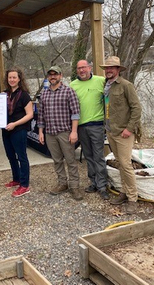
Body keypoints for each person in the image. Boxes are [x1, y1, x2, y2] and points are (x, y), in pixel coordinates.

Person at [100, 56, 142, 214]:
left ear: (118, 70)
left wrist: (129, 129)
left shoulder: (126, 85)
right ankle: (124, 192)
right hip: (111, 131)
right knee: (119, 162)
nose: (108, 71)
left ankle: (132, 199)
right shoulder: (107, 86)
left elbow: (136, 108)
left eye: (112, 68)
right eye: (107, 68)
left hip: (124, 132)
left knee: (125, 164)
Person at [38, 65, 83, 201]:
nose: (53, 76)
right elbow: (41, 115)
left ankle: (74, 187)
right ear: (48, 77)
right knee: (57, 160)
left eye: (55, 74)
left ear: (60, 76)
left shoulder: (69, 91)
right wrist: (40, 131)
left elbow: (75, 113)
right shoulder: (44, 93)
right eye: (50, 74)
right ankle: (62, 183)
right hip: (50, 133)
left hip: (65, 132)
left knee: (70, 160)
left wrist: (74, 132)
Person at [70, 60, 110, 200]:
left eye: (84, 67)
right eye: (79, 68)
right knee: (88, 156)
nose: (81, 70)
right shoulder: (73, 85)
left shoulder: (101, 81)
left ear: (89, 68)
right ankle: (93, 182)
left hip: (97, 125)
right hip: (81, 126)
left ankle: (102, 186)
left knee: (98, 156)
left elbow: (111, 98)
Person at [2, 67, 33, 198]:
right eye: (10, 77)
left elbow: (30, 114)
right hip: (5, 130)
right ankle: (16, 179)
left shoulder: (24, 95)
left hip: (19, 130)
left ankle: (25, 185)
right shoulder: (4, 94)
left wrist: (15, 124)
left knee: (22, 157)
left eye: (14, 77)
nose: (12, 80)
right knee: (10, 155)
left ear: (19, 79)